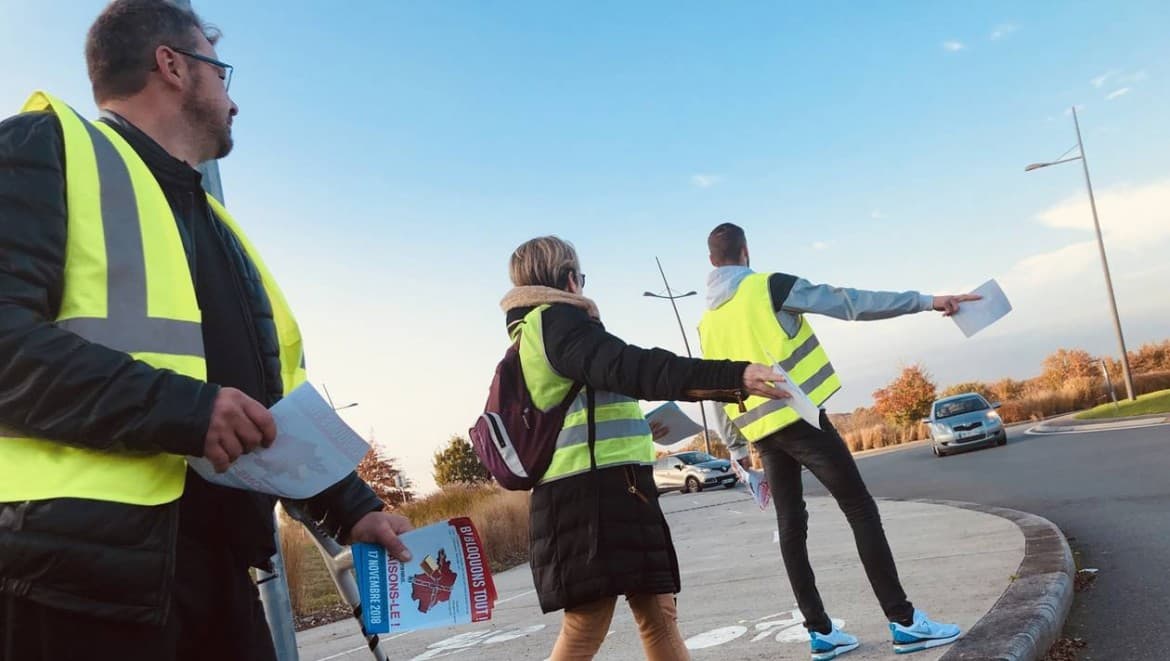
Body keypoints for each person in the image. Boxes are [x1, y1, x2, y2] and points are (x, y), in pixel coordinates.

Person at [0, 2, 411, 660]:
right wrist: (187, 410)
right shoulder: (43, 149)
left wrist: (352, 506)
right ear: (172, 65)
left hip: (218, 575)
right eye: (222, 73)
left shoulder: (220, 228)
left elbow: (272, 403)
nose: (234, 102)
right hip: (79, 582)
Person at [697, 223, 979, 659]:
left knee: (791, 527)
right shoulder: (769, 287)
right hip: (802, 420)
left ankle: (821, 633)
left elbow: (716, 393)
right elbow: (850, 302)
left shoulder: (707, 322)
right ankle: (904, 622)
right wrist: (927, 301)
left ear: (712, 262)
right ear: (745, 252)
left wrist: (736, 451)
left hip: (761, 435)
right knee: (860, 509)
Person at [502, 236, 788, 661]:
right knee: (587, 624)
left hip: (613, 488)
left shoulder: (536, 332)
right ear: (569, 279)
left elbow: (592, 403)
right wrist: (735, 374)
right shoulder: (557, 323)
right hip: (590, 497)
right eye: (581, 277)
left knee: (658, 612)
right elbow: (636, 367)